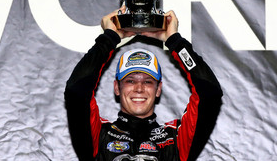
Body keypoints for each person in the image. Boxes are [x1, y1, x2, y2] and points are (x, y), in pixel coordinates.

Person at [65, 8, 222, 161]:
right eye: (130, 81)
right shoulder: (100, 136)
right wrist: (108, 39)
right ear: (116, 88)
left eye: (147, 81)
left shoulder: (175, 139)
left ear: (158, 89)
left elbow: (209, 93)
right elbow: (77, 92)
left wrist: (175, 41)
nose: (139, 88)